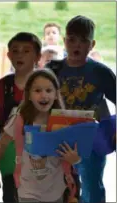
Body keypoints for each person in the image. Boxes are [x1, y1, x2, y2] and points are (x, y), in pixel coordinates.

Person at [45, 15, 116, 203]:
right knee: (58, 188)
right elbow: (37, 100)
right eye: (72, 39)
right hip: (58, 138)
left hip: (91, 139)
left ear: (92, 45)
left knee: (91, 187)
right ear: (64, 41)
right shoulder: (53, 68)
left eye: (83, 41)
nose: (76, 45)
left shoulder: (101, 72)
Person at [0, 69, 81, 202]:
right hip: (27, 191)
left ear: (56, 95)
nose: (43, 95)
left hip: (56, 191)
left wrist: (75, 160)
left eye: (49, 90)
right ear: (29, 95)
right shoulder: (20, 119)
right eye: (37, 91)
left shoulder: (64, 122)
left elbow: (77, 153)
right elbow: (2, 144)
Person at [0, 32, 42, 202]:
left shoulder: (44, 83)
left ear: (37, 56)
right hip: (7, 148)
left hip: (37, 151)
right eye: (15, 51)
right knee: (11, 191)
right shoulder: (3, 85)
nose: (20, 55)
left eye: (26, 51)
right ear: (8, 55)